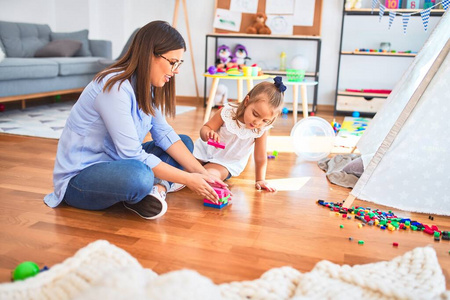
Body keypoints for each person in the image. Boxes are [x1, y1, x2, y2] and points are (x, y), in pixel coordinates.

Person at [44, 21, 225, 220]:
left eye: (178, 63)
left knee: (184, 142)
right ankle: (147, 188)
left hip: (119, 163)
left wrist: (203, 174)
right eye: (173, 62)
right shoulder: (114, 87)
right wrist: (189, 179)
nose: (177, 70)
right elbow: (131, 154)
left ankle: (156, 190)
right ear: (150, 55)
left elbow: (164, 134)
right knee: (139, 175)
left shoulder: (146, 87)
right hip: (81, 179)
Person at [193, 77, 285, 191]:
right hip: (203, 151)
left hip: (225, 163)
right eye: (255, 114)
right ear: (247, 101)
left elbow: (260, 157)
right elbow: (205, 129)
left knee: (209, 175)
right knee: (185, 166)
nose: (257, 122)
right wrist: (208, 134)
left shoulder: (261, 130)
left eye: (264, 120)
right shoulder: (227, 112)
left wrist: (260, 180)